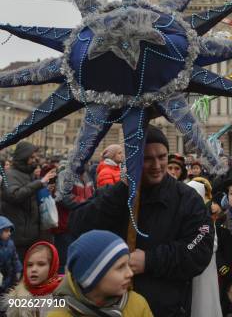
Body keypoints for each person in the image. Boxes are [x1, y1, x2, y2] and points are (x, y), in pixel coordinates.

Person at [68, 126, 214, 316]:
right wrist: (122, 190)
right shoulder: (115, 194)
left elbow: (199, 248)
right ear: (133, 160)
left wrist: (151, 260)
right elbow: (78, 226)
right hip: (113, 307)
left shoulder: (186, 198)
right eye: (147, 159)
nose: (157, 165)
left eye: (162, 157)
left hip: (165, 308)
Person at [49, 230, 153, 317]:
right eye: (120, 267)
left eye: (128, 265)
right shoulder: (60, 313)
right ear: (92, 277)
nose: (130, 273)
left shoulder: (136, 304)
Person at [1, 142, 56, 259]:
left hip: (32, 236)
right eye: (31, 157)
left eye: (35, 156)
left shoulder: (30, 174)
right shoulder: (10, 175)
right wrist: (40, 182)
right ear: (23, 156)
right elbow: (14, 196)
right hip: (17, 237)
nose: (34, 159)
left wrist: (45, 190)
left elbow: (31, 195)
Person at [186, 178, 223, 317]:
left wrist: (188, 247)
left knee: (205, 304)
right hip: (192, 271)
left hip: (205, 271)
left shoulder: (205, 219)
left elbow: (211, 245)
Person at [52, 168, 95, 273]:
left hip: (83, 226)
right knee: (65, 262)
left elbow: (93, 193)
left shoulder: (87, 175)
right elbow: (63, 197)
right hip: (66, 227)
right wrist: (87, 203)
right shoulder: (65, 174)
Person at [4, 241, 62, 317]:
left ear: (52, 266)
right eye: (29, 265)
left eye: (41, 264)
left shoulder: (62, 296)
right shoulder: (17, 298)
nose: (33, 269)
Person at [0, 216, 22, 294]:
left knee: (7, 294)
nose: (9, 233)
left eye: (10, 231)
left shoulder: (10, 244)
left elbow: (15, 258)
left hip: (9, 276)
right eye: (6, 231)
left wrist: (18, 270)